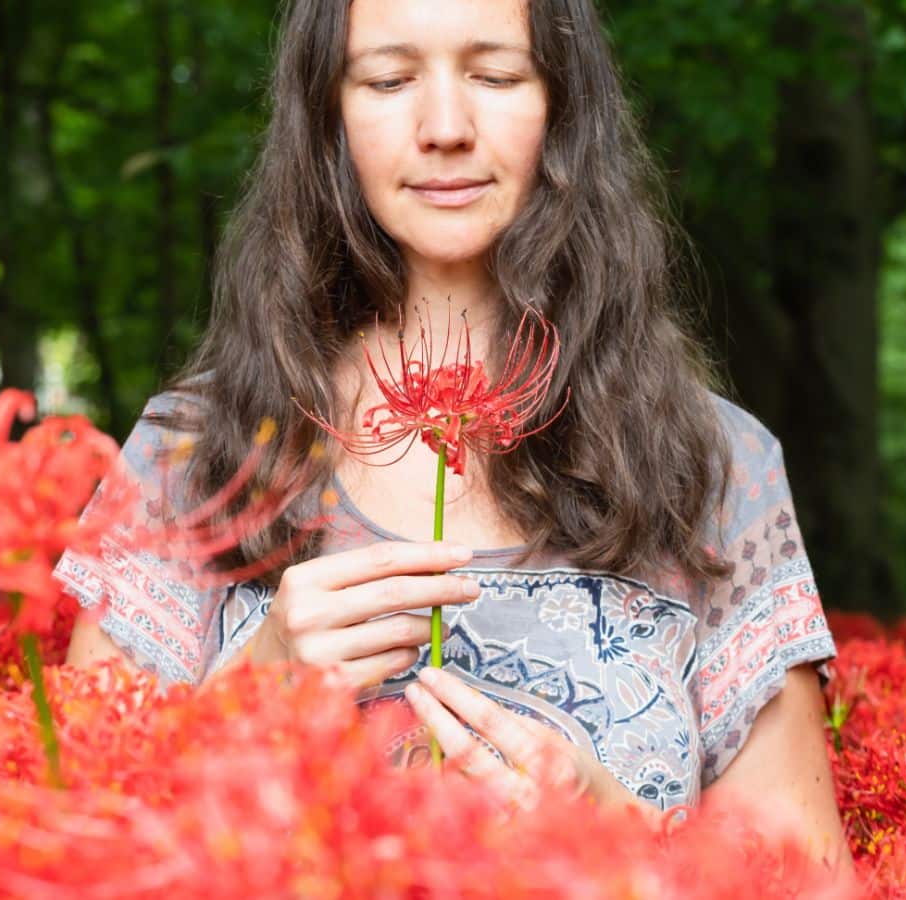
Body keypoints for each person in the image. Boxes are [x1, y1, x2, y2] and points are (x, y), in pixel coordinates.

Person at [56, 0, 852, 873]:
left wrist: (611, 836)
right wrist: (256, 687)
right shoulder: (195, 448)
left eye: (496, 75)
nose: (445, 128)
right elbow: (70, 849)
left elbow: (804, 882)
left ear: (563, 105)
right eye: (390, 79)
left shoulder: (715, 464)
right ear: (328, 114)